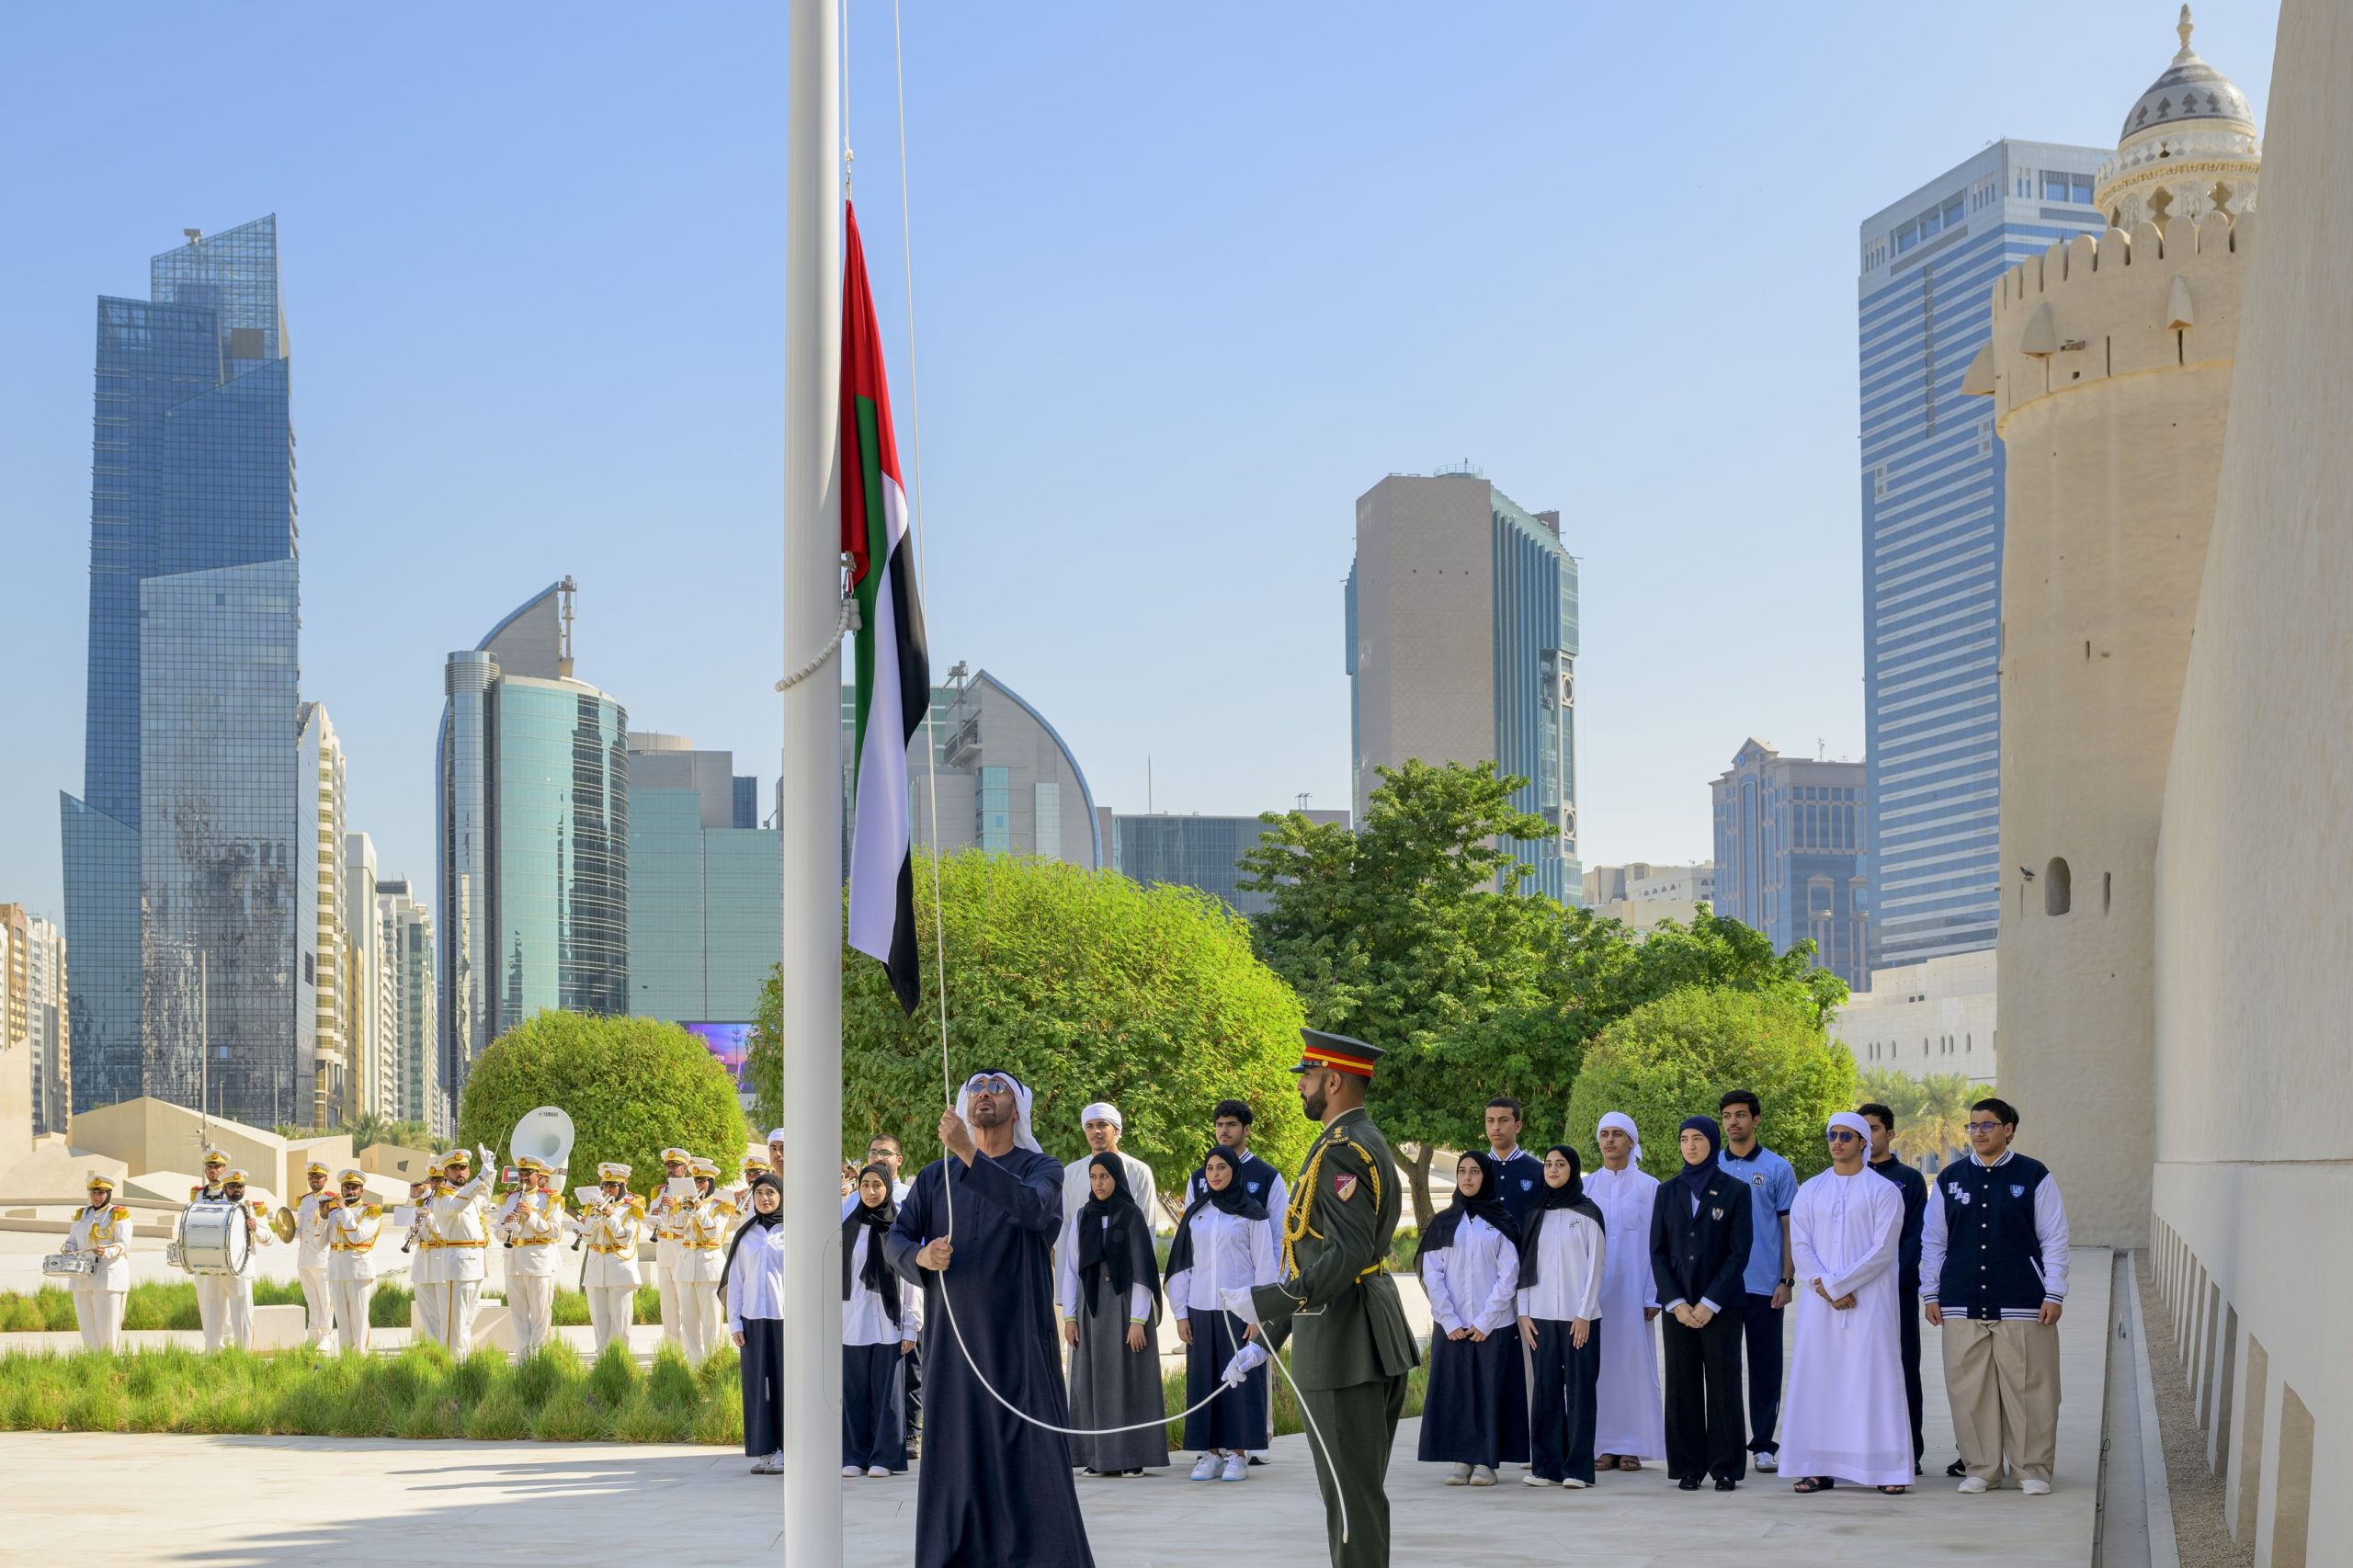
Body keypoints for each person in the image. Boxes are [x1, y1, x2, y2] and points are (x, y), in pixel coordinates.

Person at [1222, 1029, 1417, 1568]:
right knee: (1355, 1495)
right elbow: (1322, 1255)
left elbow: (1345, 1254)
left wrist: (1268, 1301)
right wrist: (1266, 1339)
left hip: (1343, 1347)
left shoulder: (1342, 1152)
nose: (1300, 1087)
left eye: (1307, 1077)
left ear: (1332, 1081)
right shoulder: (1362, 1139)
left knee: (1351, 1502)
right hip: (1361, 1332)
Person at [885, 1069, 1095, 1568]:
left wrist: (967, 1152)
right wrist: (920, 1256)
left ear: (1017, 1109)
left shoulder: (1043, 1168)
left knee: (1032, 1459)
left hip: (1020, 1344)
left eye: (998, 1087)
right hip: (954, 1347)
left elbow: (1032, 1210)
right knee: (958, 1457)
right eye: (977, 1086)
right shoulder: (934, 1178)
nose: (985, 1093)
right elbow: (895, 1239)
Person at [1922, 1096, 2069, 1496]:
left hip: (2023, 1299)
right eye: (1972, 1126)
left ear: (2008, 1129)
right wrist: (1930, 1292)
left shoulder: (2034, 1175)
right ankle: (1982, 1468)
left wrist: (2054, 1291)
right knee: (1969, 1389)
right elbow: (1933, 1241)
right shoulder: (1950, 1179)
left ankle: (2031, 1470)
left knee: (2030, 1388)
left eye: (1987, 1125)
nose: (1978, 1133)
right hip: (1961, 1299)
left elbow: (2054, 1238)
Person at [1780, 1113, 1910, 1494]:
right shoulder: (1811, 1190)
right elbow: (1800, 1244)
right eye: (1832, 1135)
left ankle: (1886, 1469)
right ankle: (1817, 1467)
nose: (1836, 1142)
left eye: (1846, 1136)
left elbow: (1883, 1249)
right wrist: (1825, 1286)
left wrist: (1839, 1285)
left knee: (1873, 1380)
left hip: (1870, 1302)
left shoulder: (1884, 1191)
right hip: (1820, 1304)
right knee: (1819, 1379)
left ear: (1863, 1142)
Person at [1164, 1143, 1279, 1482]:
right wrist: (1181, 1313)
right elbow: (1182, 1265)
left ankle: (1238, 1455)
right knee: (1203, 1382)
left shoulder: (1252, 1213)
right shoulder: (1196, 1213)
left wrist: (1259, 1315)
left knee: (1240, 1382)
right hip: (1201, 1309)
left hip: (1239, 1312)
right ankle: (1211, 1454)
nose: (1214, 1174)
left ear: (1234, 1171)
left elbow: (1265, 1266)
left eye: (1222, 1168)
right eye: (1210, 1168)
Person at [1651, 1116, 1753, 1491]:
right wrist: (1677, 1302)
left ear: (1712, 1142)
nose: (1690, 1146)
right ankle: (1687, 1466)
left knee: (1724, 1385)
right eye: (1684, 1139)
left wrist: (1710, 1301)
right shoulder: (1667, 1191)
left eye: (1698, 1138)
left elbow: (1739, 1252)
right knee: (1682, 1385)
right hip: (1678, 1308)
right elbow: (1658, 1252)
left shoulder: (1735, 1190)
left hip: (1721, 1307)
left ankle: (1725, 1466)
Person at [1417, 1150, 1527, 1485]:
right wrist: (1449, 1320)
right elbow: (1432, 1274)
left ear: (1486, 1177)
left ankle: (1486, 1463)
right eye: (1462, 1171)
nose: (1467, 1177)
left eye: (1475, 1171)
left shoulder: (1502, 1222)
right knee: (1457, 1391)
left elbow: (1509, 1276)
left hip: (1493, 1325)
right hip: (1452, 1326)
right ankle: (1461, 1459)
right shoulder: (1444, 1222)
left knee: (1490, 1391)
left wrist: (1485, 1321)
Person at [1057, 1151, 1167, 1477]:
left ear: (1117, 1178)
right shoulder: (1084, 1216)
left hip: (1126, 1308)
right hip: (1092, 1310)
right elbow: (1072, 1269)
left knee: (1128, 1382)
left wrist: (1138, 1321)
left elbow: (1143, 1272)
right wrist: (1069, 1317)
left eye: (1104, 1176)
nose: (1099, 1183)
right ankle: (1097, 1457)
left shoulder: (1131, 1215)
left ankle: (1132, 1457)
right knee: (1091, 1382)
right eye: (1093, 1177)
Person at [1716, 1087, 1799, 1471]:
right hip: (1720, 1288)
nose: (1733, 1122)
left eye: (1740, 1115)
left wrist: (1786, 1279)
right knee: (1723, 1370)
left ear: (1756, 1119)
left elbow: (1788, 1228)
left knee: (1765, 1369)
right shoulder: (1712, 1166)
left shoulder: (1778, 1168)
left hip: (1765, 1286)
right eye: (1727, 1116)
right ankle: (1724, 1444)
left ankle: (1763, 1444)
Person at [1517, 1144, 1608, 1490]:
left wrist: (1584, 1314)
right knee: (1545, 1392)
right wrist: (1523, 1312)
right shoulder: (1534, 1213)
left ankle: (1578, 1470)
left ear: (1573, 1170)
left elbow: (1595, 1268)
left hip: (1579, 1319)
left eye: (1561, 1164)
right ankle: (1546, 1467)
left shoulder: (1588, 1213)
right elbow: (1525, 1267)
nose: (1553, 1170)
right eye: (1548, 1164)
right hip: (1539, 1317)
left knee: (1581, 1393)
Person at [1586, 1112, 1665, 1471]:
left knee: (1634, 1367)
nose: (1610, 1140)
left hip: (1635, 1294)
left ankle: (1633, 1445)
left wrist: (1652, 1294)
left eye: (1617, 1134)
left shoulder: (1650, 1187)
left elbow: (1658, 1244)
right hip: (1596, 1295)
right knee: (1599, 1367)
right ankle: (1603, 1445)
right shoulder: (1586, 1187)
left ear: (1631, 1141)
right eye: (1604, 1133)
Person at [1860, 1101, 1929, 1471]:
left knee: (1902, 1370)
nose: (1867, 1136)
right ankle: (1861, 1450)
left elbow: (1914, 1237)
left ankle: (1907, 1452)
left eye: (1873, 1128)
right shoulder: (1845, 1179)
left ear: (1890, 1134)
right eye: (1861, 1129)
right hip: (1852, 1295)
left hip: (1895, 1293)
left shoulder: (1908, 1179)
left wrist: (1889, 1280)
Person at [839, 1162, 919, 1477]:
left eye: (877, 1185)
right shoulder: (848, 1227)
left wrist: (911, 1325)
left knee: (888, 1393)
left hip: (889, 1322)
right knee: (854, 1391)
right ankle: (854, 1455)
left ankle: (885, 1457)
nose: (871, 1191)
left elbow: (911, 1279)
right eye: (865, 1185)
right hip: (853, 1322)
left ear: (887, 1187)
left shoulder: (899, 1229)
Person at [723, 1172, 788, 1475]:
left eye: (771, 1193)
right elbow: (736, 1281)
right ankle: (765, 1449)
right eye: (759, 1193)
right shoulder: (747, 1234)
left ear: (781, 1196)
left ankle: (787, 1449)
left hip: (785, 1320)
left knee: (785, 1386)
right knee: (757, 1387)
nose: (765, 1198)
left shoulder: (792, 1231)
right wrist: (734, 1322)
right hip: (753, 1320)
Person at [428, 1145, 495, 1357]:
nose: (460, 1172)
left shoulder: (468, 1195)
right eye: (455, 1168)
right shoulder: (443, 1196)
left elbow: (484, 1198)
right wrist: (480, 1178)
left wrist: (490, 1171)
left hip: (476, 1261)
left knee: (466, 1321)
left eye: (464, 1168)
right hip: (458, 1264)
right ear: (446, 1173)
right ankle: (452, 1365)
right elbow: (456, 1206)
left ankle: (462, 1363)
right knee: (454, 1323)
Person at [574, 1163, 646, 1358]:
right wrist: (590, 1222)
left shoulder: (633, 1207)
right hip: (596, 1268)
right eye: (604, 1186)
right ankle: (602, 1361)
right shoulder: (593, 1207)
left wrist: (610, 1217)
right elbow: (588, 1239)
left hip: (620, 1268)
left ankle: (619, 1362)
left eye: (613, 1186)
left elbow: (625, 1239)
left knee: (620, 1323)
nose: (607, 1190)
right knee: (599, 1322)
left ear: (623, 1184)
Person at [497, 1157, 563, 1359]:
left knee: (540, 1316)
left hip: (538, 1263)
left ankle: (540, 1360)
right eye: (521, 1173)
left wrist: (531, 1217)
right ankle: (523, 1360)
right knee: (518, 1316)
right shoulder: (509, 1199)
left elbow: (555, 1232)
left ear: (538, 1175)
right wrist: (506, 1224)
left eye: (529, 1174)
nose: (524, 1177)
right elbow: (499, 1234)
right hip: (513, 1262)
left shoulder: (549, 1199)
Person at [1061, 1101, 1159, 1237]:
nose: (1095, 1131)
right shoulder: (1071, 1173)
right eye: (1089, 1126)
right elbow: (1064, 1227)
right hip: (1081, 1250)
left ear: (1116, 1130)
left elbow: (1147, 1226)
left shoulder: (1139, 1171)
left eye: (1102, 1125)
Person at [1185, 1098, 1290, 1221]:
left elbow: (1279, 1230)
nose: (1224, 1130)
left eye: (1231, 1124)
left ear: (1247, 1129)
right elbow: (1188, 1225)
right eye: (1219, 1125)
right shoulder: (1198, 1177)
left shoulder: (1268, 1177)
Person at [64, 1173, 131, 1352]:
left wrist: (107, 1251)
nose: (96, 1197)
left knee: (107, 1331)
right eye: (93, 1193)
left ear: (108, 1194)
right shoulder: (82, 1214)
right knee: (88, 1331)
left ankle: (110, 1364)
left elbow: (124, 1244)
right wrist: (69, 1248)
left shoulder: (118, 1214)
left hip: (107, 1278)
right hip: (82, 1278)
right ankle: (94, 1364)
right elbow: (71, 1240)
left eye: (101, 1193)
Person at [676, 1156, 734, 1361]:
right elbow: (677, 1229)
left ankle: (712, 1364)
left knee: (711, 1323)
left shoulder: (722, 1205)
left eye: (702, 1181)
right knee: (689, 1322)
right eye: (695, 1181)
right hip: (686, 1266)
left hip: (710, 1267)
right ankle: (694, 1365)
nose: (698, 1185)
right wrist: (685, 1210)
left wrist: (700, 1209)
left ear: (711, 1182)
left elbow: (713, 1233)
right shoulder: (685, 1203)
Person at [324, 1167, 384, 1353]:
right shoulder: (333, 1213)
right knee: (342, 1320)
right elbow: (319, 1242)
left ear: (361, 1190)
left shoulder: (370, 1212)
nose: (350, 1191)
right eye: (347, 1188)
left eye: (354, 1188)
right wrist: (323, 1216)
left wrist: (343, 1210)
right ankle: (346, 1359)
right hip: (336, 1271)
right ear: (341, 1189)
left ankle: (360, 1357)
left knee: (359, 1318)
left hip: (359, 1271)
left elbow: (357, 1237)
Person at [218, 1170, 273, 1352]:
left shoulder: (254, 1209)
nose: (237, 1190)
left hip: (242, 1269)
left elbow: (269, 1239)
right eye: (232, 1186)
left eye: (240, 1186)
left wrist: (256, 1229)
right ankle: (221, 1351)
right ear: (224, 1189)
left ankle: (243, 1354)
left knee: (243, 1316)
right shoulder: (218, 1207)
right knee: (219, 1317)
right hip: (219, 1270)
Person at [186, 1149, 233, 1348]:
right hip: (202, 1255)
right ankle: (211, 1343)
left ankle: (228, 1343)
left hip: (222, 1255)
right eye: (209, 1166)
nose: (213, 1170)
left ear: (224, 1169)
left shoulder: (230, 1192)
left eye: (217, 1167)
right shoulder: (198, 1194)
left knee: (226, 1304)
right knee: (205, 1301)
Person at [649, 1146, 695, 1351]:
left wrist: (675, 1207)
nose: (670, 1169)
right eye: (668, 1165)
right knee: (667, 1304)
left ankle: (689, 1348)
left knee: (685, 1302)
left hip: (681, 1248)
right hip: (663, 1250)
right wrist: (654, 1216)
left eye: (675, 1165)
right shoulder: (659, 1191)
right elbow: (650, 1223)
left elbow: (691, 1220)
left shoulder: (690, 1190)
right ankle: (671, 1349)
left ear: (684, 1168)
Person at [1481, 1097, 1545, 1230]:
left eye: (1503, 1120)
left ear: (1518, 1126)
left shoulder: (1539, 1170)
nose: (1496, 1127)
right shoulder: (1475, 1170)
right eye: (1490, 1121)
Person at [292, 1161, 337, 1347]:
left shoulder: (331, 1199)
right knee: (311, 1299)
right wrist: (287, 1229)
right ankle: (313, 1334)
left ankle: (326, 1335)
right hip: (304, 1257)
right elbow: (301, 1228)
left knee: (325, 1299)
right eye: (311, 1176)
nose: (314, 1180)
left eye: (318, 1177)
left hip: (322, 1257)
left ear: (325, 1178)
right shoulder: (304, 1201)